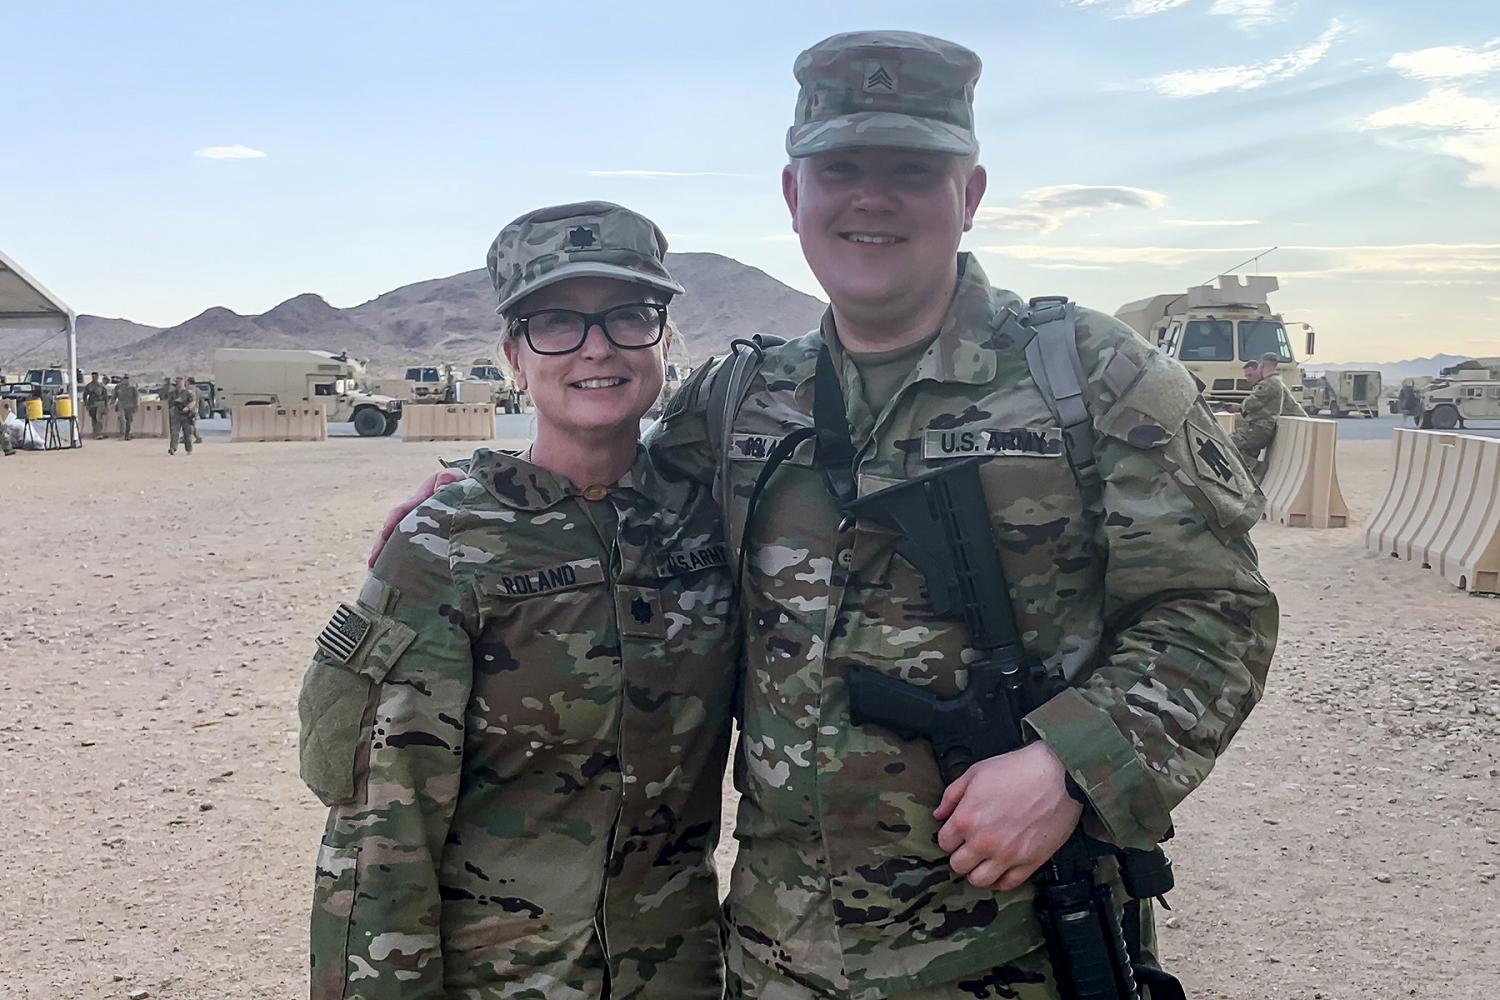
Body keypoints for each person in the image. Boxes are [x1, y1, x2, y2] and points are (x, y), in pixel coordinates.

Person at [374, 32, 1278, 1000]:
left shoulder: (1094, 378)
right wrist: (480, 493)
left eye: (913, 169)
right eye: (840, 168)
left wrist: (1070, 761)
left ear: (969, 194)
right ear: (793, 196)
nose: (871, 198)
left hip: (1012, 939)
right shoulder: (744, 395)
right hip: (781, 950)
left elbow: (1214, 611)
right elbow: (602, 467)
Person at [298, 202, 736, 999]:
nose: (597, 347)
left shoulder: (710, 518)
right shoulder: (445, 546)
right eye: (556, 323)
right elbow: (380, 833)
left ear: (664, 340)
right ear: (513, 353)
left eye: (630, 317)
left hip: (681, 976)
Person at [1230, 352, 1308, 475]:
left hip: (1259, 428)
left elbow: (1251, 404)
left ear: (1260, 367)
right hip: (1260, 427)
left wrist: (1240, 407)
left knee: (1228, 443)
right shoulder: (1274, 382)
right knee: (1246, 454)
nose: (1248, 379)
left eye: (1250, 375)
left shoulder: (1269, 383)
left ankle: (1252, 474)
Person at [167, 376, 200, 455]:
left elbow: (193, 402)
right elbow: (169, 402)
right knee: (175, 432)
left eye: (180, 382)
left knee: (187, 433)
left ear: (184, 383)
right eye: (177, 382)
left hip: (187, 415)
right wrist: (173, 406)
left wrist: (187, 407)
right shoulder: (173, 393)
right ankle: (173, 448)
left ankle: (189, 449)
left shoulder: (189, 392)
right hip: (176, 414)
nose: (178, 384)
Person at [81, 372, 109, 439]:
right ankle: (95, 433)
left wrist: (106, 406)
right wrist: (86, 404)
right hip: (92, 404)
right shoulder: (89, 386)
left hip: (100, 404)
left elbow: (105, 397)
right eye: (93, 376)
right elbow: (85, 395)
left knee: (98, 418)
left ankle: (99, 433)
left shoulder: (101, 386)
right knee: (94, 419)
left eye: (95, 376)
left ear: (97, 377)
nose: (94, 377)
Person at [115, 375, 140, 440]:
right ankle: (122, 434)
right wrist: (112, 404)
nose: (126, 380)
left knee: (129, 421)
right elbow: (114, 396)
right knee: (122, 419)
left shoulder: (132, 388)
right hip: (121, 406)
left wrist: (137, 405)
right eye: (125, 378)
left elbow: (137, 397)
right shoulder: (118, 387)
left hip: (130, 406)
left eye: (127, 378)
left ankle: (127, 435)